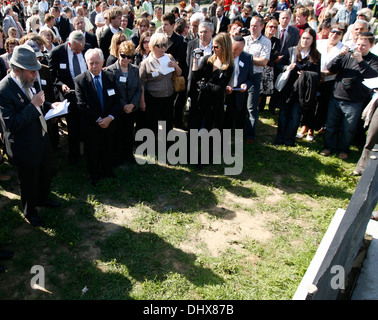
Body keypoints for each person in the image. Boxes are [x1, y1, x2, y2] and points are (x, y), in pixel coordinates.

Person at [0, 44, 61, 227]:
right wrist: (34, 106)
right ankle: (30, 211)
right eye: (31, 72)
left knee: (44, 173)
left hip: (41, 137)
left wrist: (49, 105)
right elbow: (11, 123)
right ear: (17, 70)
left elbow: (35, 101)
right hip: (24, 145)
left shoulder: (28, 81)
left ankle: (43, 198)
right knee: (29, 181)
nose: (35, 75)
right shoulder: (4, 90)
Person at [320, 32, 378, 159]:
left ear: (371, 45)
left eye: (364, 45)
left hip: (354, 100)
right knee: (331, 124)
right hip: (337, 95)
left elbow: (372, 77)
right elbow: (331, 68)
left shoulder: (373, 60)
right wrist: (340, 55)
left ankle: (343, 149)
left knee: (348, 128)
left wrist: (360, 61)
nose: (360, 47)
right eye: (358, 44)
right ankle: (328, 146)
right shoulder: (347, 56)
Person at [74, 48, 122, 186]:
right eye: (91, 63)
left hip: (109, 122)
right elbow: (82, 105)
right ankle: (94, 174)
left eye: (97, 63)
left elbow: (117, 101)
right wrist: (98, 120)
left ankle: (107, 171)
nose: (94, 66)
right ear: (86, 63)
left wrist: (109, 118)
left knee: (108, 147)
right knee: (92, 150)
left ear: (102, 62)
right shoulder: (80, 80)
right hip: (91, 124)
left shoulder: (111, 77)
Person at [49, 31, 91, 165]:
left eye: (81, 49)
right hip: (69, 94)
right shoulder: (57, 52)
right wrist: (61, 85)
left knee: (85, 123)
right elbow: (52, 75)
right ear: (68, 44)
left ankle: (88, 151)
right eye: (76, 50)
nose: (79, 52)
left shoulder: (88, 48)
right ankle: (74, 155)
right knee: (72, 125)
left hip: (86, 93)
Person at [275, 28, 321, 147]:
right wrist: (288, 67)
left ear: (313, 40)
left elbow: (318, 75)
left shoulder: (316, 55)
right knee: (283, 114)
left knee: (295, 115)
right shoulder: (291, 51)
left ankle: (289, 139)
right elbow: (279, 66)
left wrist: (306, 75)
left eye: (308, 39)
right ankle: (280, 137)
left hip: (302, 91)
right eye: (303, 38)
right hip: (288, 88)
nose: (305, 41)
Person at [106, 41, 142, 166]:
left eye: (129, 56)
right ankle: (117, 157)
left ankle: (129, 155)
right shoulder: (111, 71)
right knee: (118, 133)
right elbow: (112, 92)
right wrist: (123, 105)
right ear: (118, 54)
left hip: (132, 109)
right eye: (123, 55)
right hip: (118, 109)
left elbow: (139, 89)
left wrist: (132, 104)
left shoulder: (136, 70)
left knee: (129, 132)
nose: (125, 59)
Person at [139, 32, 182, 135]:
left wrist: (175, 66)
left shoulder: (169, 57)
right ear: (153, 46)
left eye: (165, 45)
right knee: (153, 124)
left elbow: (179, 74)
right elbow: (141, 83)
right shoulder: (145, 63)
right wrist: (142, 101)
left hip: (169, 96)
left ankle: (168, 145)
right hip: (153, 98)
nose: (163, 48)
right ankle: (152, 145)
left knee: (168, 123)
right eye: (160, 45)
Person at [191, 32, 234, 131]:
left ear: (224, 47)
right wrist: (195, 60)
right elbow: (196, 77)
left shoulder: (229, 66)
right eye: (212, 47)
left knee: (213, 131)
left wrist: (205, 86)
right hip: (202, 100)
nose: (213, 49)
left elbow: (220, 87)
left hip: (216, 103)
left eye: (216, 47)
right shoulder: (207, 60)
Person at [313, 24, 345, 138]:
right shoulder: (320, 43)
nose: (335, 34)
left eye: (338, 33)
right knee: (312, 102)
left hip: (330, 80)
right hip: (315, 77)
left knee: (324, 104)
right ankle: (308, 125)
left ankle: (320, 126)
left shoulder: (343, 48)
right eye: (333, 32)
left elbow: (340, 67)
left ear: (342, 36)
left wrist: (325, 74)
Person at [243, 15, 271, 144]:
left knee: (251, 107)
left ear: (262, 27)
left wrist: (247, 58)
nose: (252, 28)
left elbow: (264, 61)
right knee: (241, 105)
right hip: (242, 75)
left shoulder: (266, 42)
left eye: (255, 25)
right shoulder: (244, 40)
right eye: (251, 25)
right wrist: (252, 58)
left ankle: (250, 134)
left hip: (255, 76)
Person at [224, 35, 253, 130]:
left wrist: (246, 85)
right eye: (234, 49)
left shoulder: (247, 58)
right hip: (225, 92)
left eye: (238, 50)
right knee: (225, 118)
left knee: (238, 117)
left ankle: (237, 139)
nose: (235, 52)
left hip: (238, 93)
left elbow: (250, 78)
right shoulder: (224, 55)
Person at [259, 18, 281, 114]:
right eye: (271, 26)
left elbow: (275, 54)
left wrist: (268, 55)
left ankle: (261, 107)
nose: (272, 29)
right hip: (259, 66)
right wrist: (269, 56)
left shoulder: (276, 41)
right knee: (258, 88)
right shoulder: (260, 37)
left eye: (275, 27)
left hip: (269, 68)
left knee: (265, 90)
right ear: (266, 27)